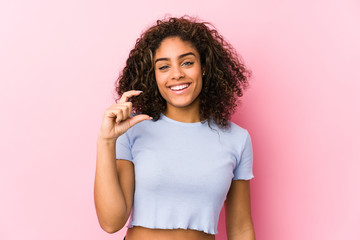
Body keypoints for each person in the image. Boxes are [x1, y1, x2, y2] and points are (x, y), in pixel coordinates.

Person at [94, 16, 255, 240]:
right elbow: (111, 223)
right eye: (164, 66)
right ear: (154, 76)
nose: (176, 74)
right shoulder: (132, 129)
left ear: (205, 67)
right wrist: (106, 142)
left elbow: (241, 229)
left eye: (187, 62)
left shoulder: (237, 139)